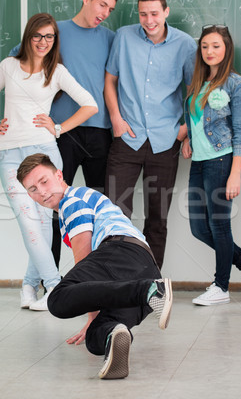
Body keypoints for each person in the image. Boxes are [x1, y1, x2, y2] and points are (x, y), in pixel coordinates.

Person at [16, 153, 173, 380]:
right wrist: (93, 318)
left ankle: (150, 290)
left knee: (57, 300)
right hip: (146, 268)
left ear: (59, 175)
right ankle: (115, 334)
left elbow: (84, 258)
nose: (41, 192)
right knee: (96, 336)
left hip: (120, 252)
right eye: (32, 189)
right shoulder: (77, 201)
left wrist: (89, 302)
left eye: (44, 181)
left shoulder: (72, 200)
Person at [0, 13, 98, 310]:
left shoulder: (56, 71)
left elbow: (90, 105)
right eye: (38, 36)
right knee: (29, 224)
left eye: (50, 37)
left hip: (45, 155)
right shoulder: (8, 66)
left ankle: (29, 286)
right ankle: (56, 289)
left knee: (46, 224)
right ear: (28, 37)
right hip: (10, 156)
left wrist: (59, 128)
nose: (44, 42)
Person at [8, 0, 118, 275]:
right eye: (102, 4)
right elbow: (17, 64)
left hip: (100, 133)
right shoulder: (54, 32)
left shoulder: (111, 39)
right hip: (61, 133)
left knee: (99, 207)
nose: (104, 13)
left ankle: (100, 277)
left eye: (110, 9)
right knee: (52, 208)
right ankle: (52, 280)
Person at [104, 0, 196, 269]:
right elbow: (110, 80)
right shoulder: (123, 37)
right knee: (115, 215)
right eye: (143, 14)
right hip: (126, 139)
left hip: (166, 142)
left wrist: (185, 130)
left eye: (154, 13)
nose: (149, 20)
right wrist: (115, 119)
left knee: (157, 219)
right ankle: (118, 279)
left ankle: (151, 283)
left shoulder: (186, 45)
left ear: (166, 12)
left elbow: (194, 91)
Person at [181, 25, 241, 305]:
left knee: (219, 226)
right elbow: (196, 119)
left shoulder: (235, 84)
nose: (209, 51)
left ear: (226, 48)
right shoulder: (197, 82)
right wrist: (189, 139)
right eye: (205, 46)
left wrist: (235, 173)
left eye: (215, 46)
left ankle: (221, 287)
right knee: (198, 227)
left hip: (221, 160)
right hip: (199, 162)